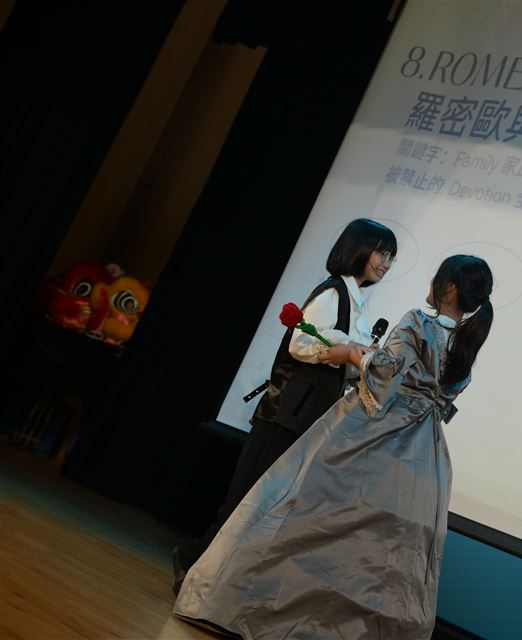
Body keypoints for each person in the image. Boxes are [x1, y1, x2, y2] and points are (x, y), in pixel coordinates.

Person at [173, 255, 494, 640]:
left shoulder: (418, 322)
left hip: (380, 434)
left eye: (437, 277)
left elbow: (383, 375)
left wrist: (351, 354)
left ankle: (263, 611)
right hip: (423, 454)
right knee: (380, 548)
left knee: (315, 513)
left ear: (450, 288)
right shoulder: (465, 344)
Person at [171, 218, 398, 595]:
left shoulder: (355, 298)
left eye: (391, 257)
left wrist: (359, 357)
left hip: (305, 416)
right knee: (246, 498)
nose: (386, 264)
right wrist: (345, 350)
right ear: (358, 249)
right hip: (287, 412)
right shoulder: (332, 294)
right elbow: (300, 345)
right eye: (382, 253)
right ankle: (193, 561)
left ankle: (210, 575)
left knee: (262, 505)